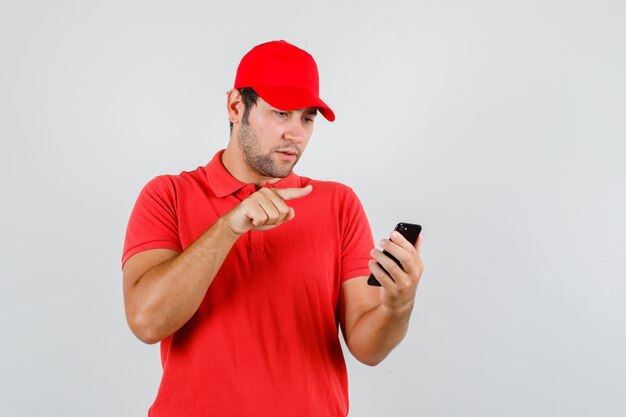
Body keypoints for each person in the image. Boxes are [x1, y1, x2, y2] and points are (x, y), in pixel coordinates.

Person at [122, 40, 424, 417]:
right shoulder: (168, 195)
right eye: (281, 113)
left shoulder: (339, 204)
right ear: (236, 106)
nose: (296, 134)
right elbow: (147, 322)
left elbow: (368, 348)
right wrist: (230, 226)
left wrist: (398, 305)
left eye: (307, 118)